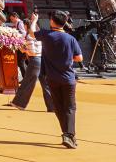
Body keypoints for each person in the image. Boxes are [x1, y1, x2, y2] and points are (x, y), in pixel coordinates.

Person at [31, 10, 83, 149]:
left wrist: (34, 20)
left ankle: (67, 134)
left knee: (59, 107)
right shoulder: (70, 39)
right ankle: (69, 134)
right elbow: (79, 58)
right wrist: (67, 57)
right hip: (68, 78)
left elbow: (31, 33)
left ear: (52, 21)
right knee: (70, 107)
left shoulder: (46, 35)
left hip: (52, 78)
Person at [8, 12, 53, 111]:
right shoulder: (39, 35)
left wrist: (23, 48)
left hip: (35, 60)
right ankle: (52, 106)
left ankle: (19, 103)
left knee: (27, 82)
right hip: (42, 60)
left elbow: (30, 51)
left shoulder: (30, 36)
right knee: (45, 84)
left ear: (26, 25)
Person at [6, 11, 28, 77]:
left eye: (12, 19)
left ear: (16, 17)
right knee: (20, 62)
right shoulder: (17, 23)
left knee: (21, 62)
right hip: (20, 45)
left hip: (22, 45)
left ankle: (26, 78)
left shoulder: (20, 23)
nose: (12, 21)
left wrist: (15, 34)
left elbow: (24, 33)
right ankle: (26, 77)